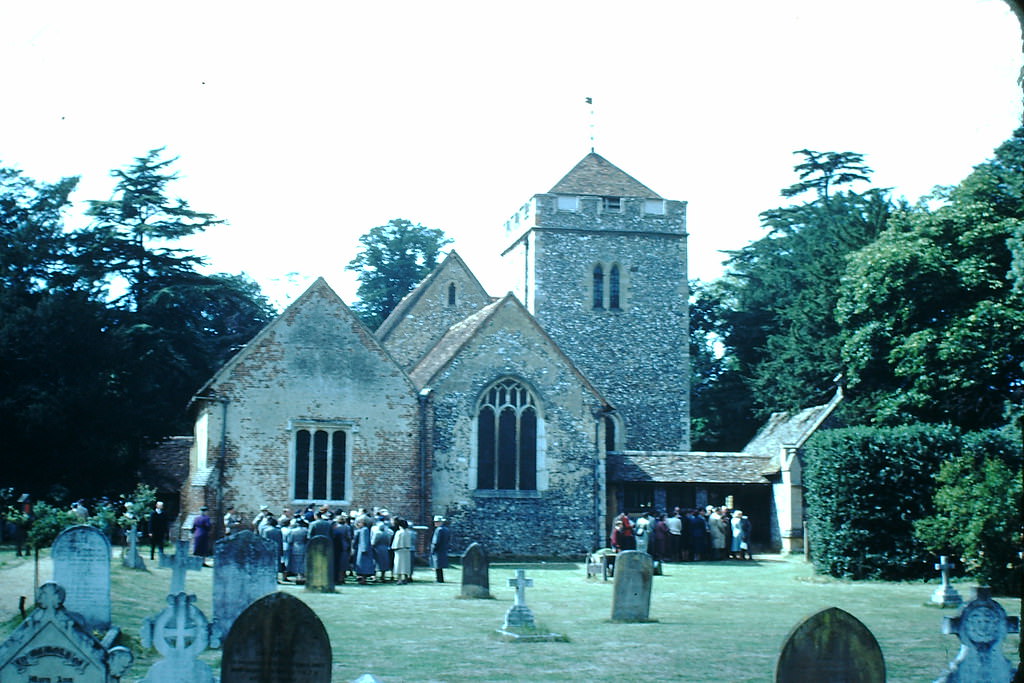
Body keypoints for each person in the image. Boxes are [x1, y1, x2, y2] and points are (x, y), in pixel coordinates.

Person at [260, 516, 284, 581]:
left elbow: (263, 540)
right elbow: (281, 541)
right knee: (276, 563)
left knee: (267, 562)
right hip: (276, 548)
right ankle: (275, 577)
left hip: (267, 548)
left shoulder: (265, 530)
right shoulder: (278, 531)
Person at [354, 515, 375, 584]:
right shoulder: (363, 529)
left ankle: (363, 579)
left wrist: (364, 549)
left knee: (363, 565)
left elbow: (364, 540)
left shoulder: (364, 530)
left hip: (363, 550)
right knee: (362, 564)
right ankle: (362, 578)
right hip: (361, 549)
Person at [391, 518, 414, 584]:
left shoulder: (399, 532)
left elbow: (396, 542)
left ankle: (399, 579)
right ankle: (406, 578)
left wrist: (394, 548)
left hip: (399, 550)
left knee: (399, 565)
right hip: (406, 550)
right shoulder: (408, 532)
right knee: (406, 565)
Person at [332, 512, 353, 583]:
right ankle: (342, 578)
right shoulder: (347, 527)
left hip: (336, 546)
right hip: (344, 546)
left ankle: (336, 577)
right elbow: (349, 537)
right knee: (343, 563)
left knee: (337, 562)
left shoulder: (335, 527)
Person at [429, 515, 451, 583]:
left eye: (437, 522)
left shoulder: (438, 530)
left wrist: (433, 549)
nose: (435, 523)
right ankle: (440, 578)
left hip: (438, 550)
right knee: (439, 566)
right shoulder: (446, 529)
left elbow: (436, 541)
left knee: (437, 565)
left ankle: (439, 579)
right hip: (443, 549)